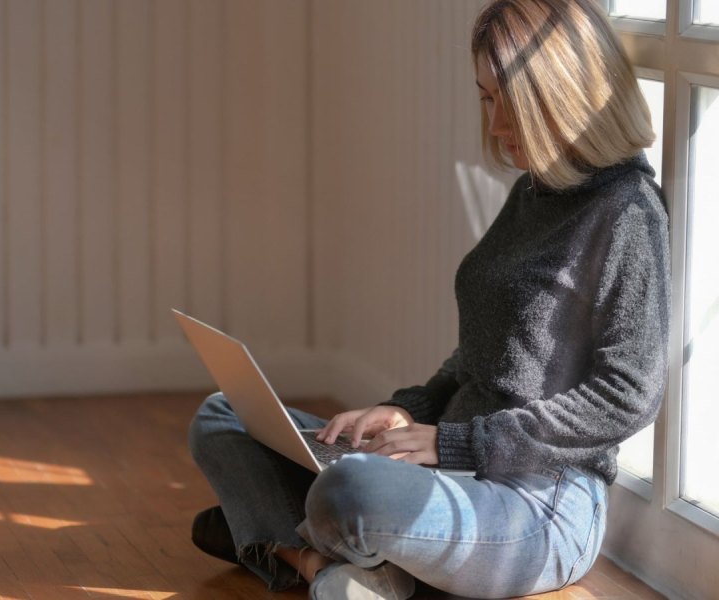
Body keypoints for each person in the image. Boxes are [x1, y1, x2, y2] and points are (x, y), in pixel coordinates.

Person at [187, 0, 671, 598]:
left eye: (511, 102)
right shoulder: (535, 191)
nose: (495, 125)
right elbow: (478, 356)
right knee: (222, 413)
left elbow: (628, 396)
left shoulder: (627, 210)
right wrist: (407, 412)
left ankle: (280, 540)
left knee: (354, 490)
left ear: (564, 94)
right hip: (448, 459)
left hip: (539, 503)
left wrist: (453, 441)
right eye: (486, 98)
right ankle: (329, 562)